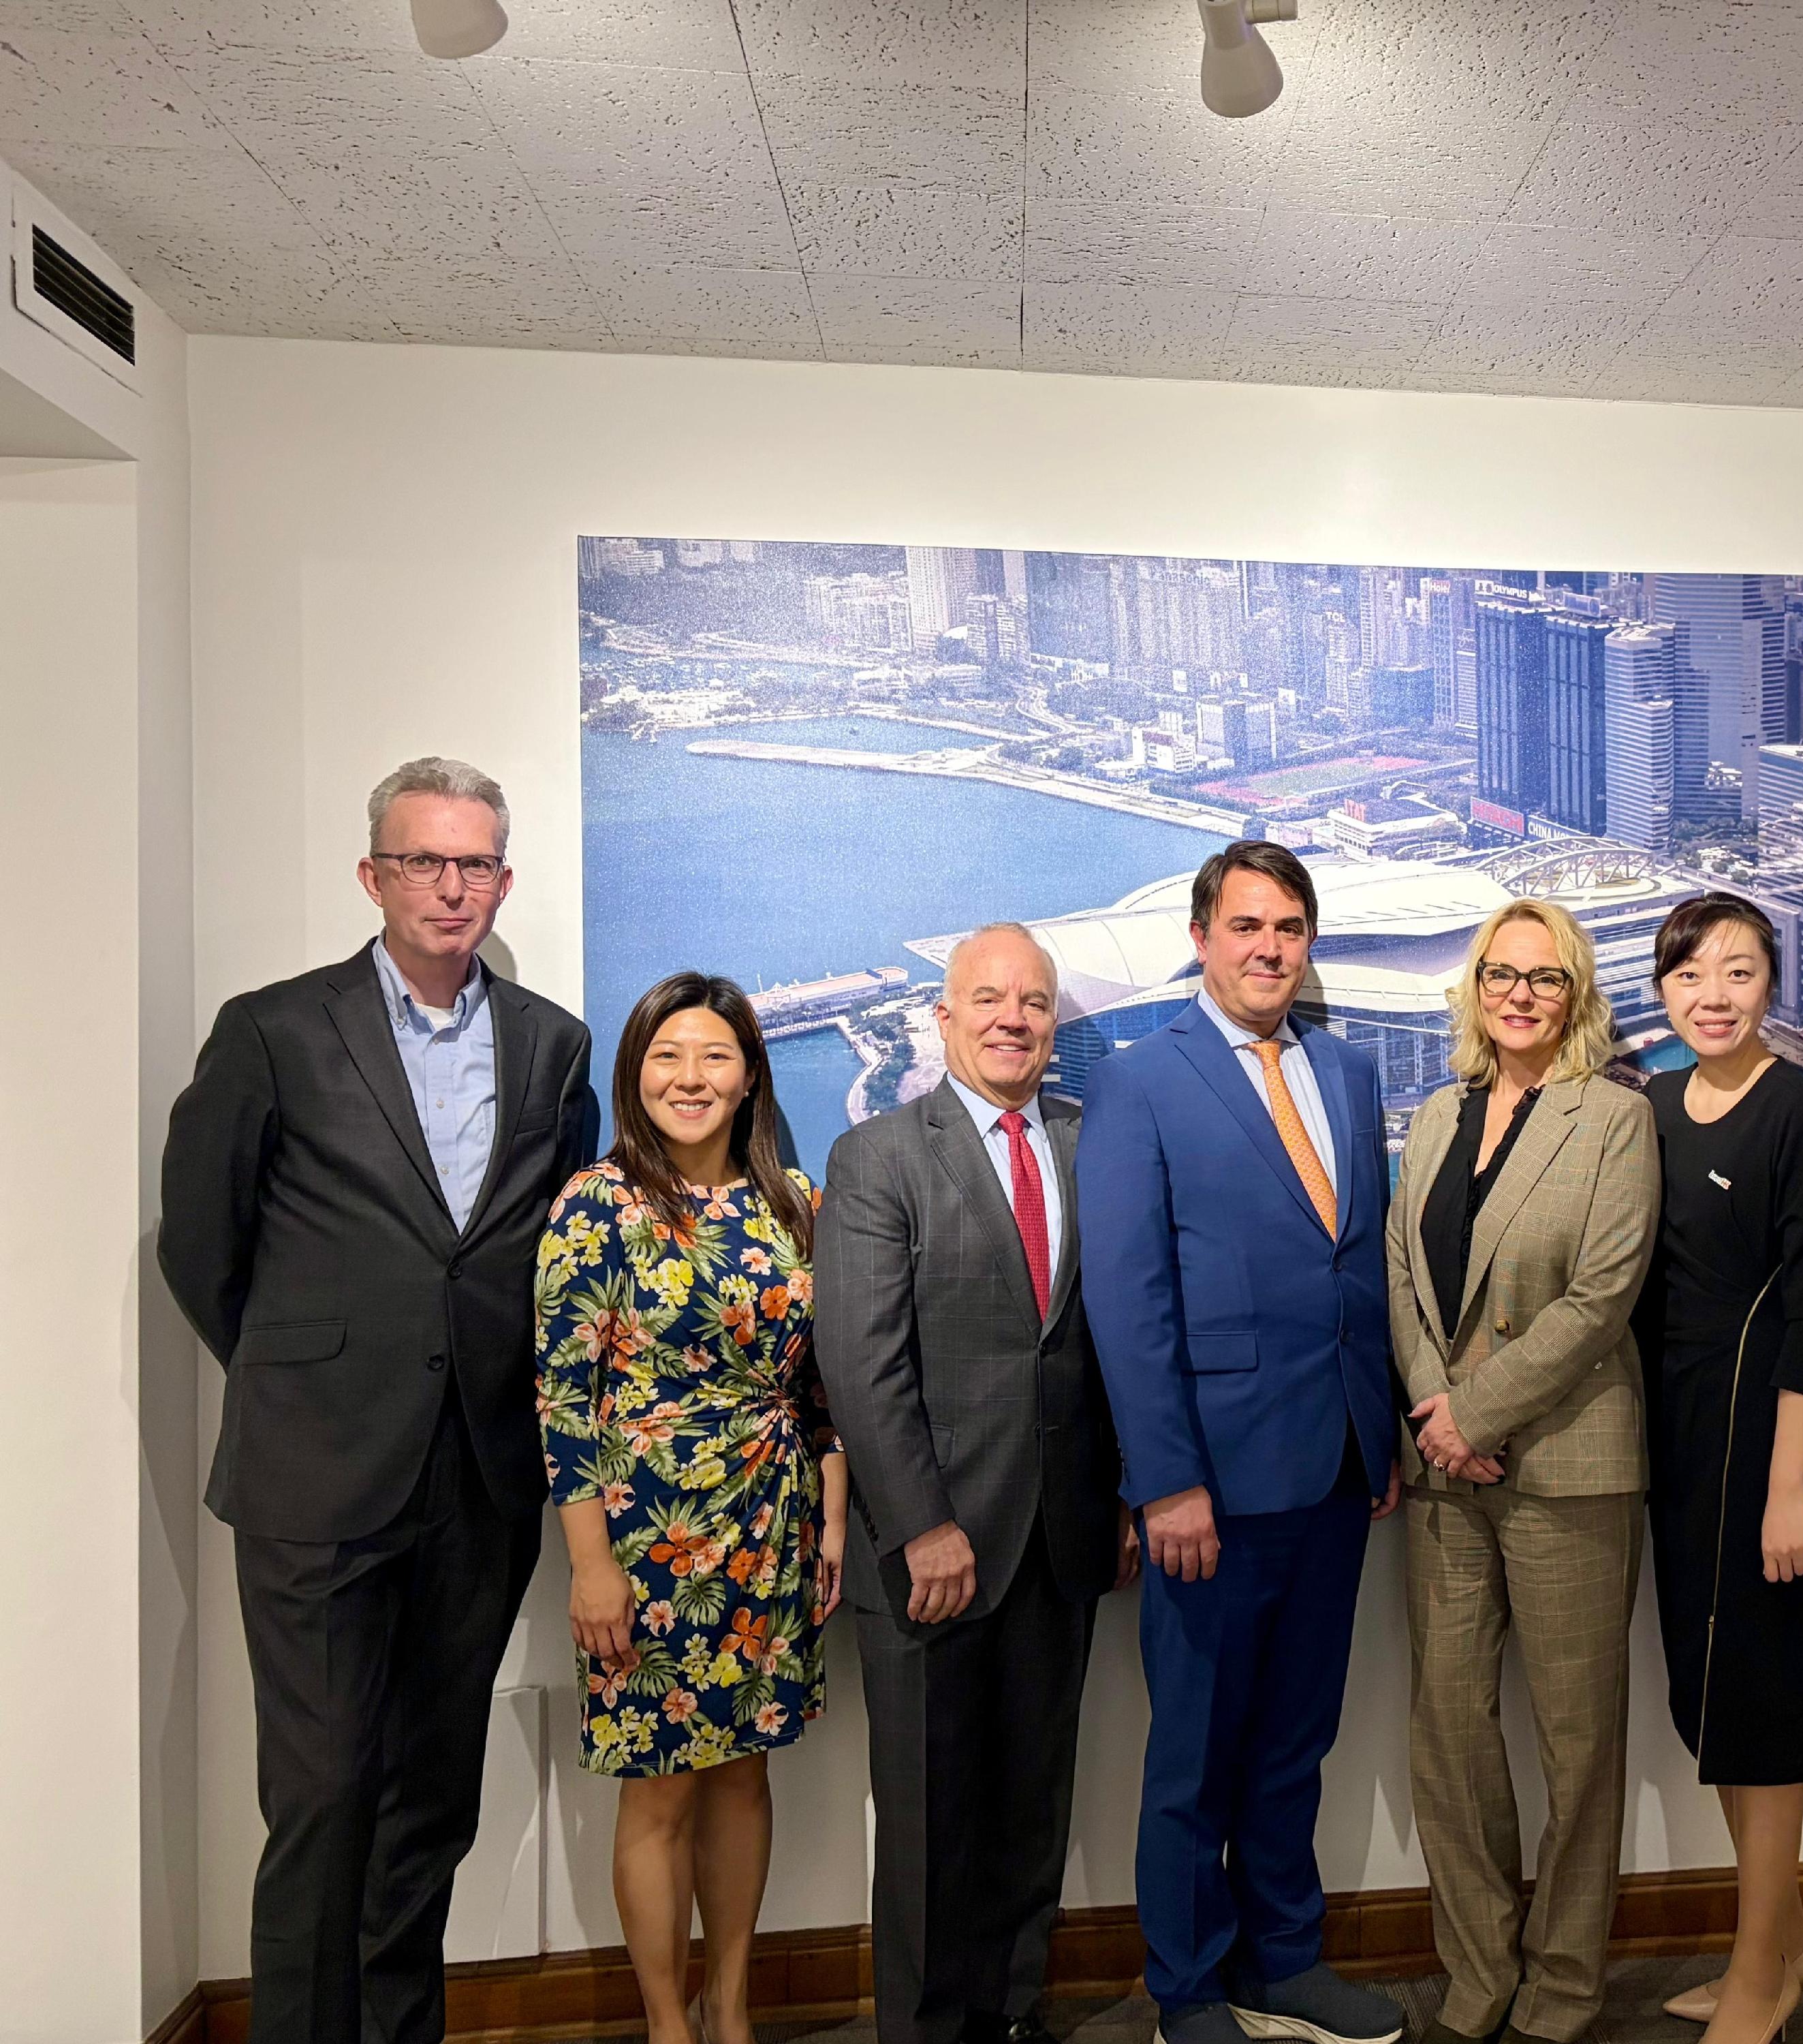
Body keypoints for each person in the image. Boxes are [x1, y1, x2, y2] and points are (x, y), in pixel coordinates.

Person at [158, 758, 598, 2044]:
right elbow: (203, 1243)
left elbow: (548, 1247)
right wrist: (306, 1378)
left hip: (478, 1474)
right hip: (317, 1478)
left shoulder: (552, 1045)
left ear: (503, 880)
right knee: (322, 1796)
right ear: (374, 875)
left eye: (474, 865)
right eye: (423, 861)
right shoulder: (274, 1029)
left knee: (429, 1798)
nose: (450, 887)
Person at [1078, 840, 1408, 2044]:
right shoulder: (1140, 1081)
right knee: (1196, 1755)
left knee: (1295, 1742)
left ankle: (1285, 1961)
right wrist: (1164, 1481)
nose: (1270, 948)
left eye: (1290, 928)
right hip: (1207, 1486)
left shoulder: (1350, 1071)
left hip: (1336, 1473)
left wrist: (1380, 1438)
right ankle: (1188, 1986)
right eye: (1246, 926)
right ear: (1204, 940)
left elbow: (1356, 1266)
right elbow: (1128, 1295)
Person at [815, 923, 1140, 2044]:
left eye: (1036, 1002)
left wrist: (1127, 1497)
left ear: (1055, 1023)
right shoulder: (880, 1157)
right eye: (989, 999)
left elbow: (1115, 1340)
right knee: (926, 1824)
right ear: (943, 1019)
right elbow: (862, 1362)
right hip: (935, 1551)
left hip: (1063, 1537)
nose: (1014, 1018)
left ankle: (1010, 2013)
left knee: (1030, 1805)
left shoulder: (1095, 1142)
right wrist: (920, 1527)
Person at [534, 972, 846, 2044]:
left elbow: (820, 1389)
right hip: (644, 1542)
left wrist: (833, 1522)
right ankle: (669, 2025)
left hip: (772, 1528)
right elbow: (565, 1398)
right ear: (636, 1076)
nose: (691, 1078)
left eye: (714, 1056)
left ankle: (735, 2008)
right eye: (668, 1057)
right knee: (660, 1789)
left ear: (749, 1075)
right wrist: (590, 1565)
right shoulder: (596, 1205)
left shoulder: (794, 1201)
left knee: (745, 1772)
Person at [1386, 900, 1661, 2044]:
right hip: (1448, 1475)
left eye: (1546, 980)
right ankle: (1477, 1970)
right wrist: (1437, 1419)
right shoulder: (1439, 1115)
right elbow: (1402, 1272)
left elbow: (1604, 1295)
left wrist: (1477, 1412)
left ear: (1577, 994)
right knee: (1449, 1734)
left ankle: (1562, 1988)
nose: (1521, 996)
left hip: (1568, 1469)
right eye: (1503, 974)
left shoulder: (1614, 1119)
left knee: (1578, 1744)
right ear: (1475, 986)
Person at [1633, 893, 1803, 2044]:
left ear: (1772, 984)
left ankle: (1760, 1979)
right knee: (1712, 1701)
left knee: (1764, 1714)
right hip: (1677, 1447)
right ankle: (1795, 1938)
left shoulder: (1797, 1119)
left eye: (1736, 974)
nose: (1711, 997)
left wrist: (1786, 1490)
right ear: (1662, 989)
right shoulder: (1655, 1106)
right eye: (1689, 976)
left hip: (1766, 1457)